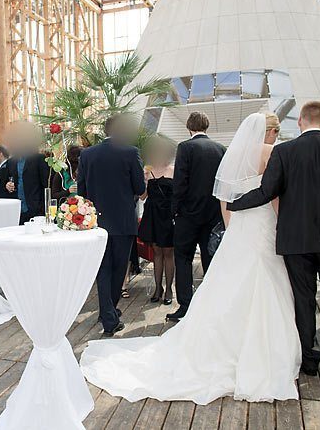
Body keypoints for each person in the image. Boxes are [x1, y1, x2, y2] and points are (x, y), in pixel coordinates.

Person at [80, 113, 301, 405]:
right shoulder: (224, 150)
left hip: (203, 222)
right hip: (236, 223)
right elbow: (267, 194)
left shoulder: (93, 154)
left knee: (163, 263)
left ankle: (170, 305)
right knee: (221, 273)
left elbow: (210, 190)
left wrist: (180, 213)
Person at [229, 102, 320, 376]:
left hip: (295, 241)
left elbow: (267, 191)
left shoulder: (284, 151)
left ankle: (309, 360)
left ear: (300, 121)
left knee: (303, 300)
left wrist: (234, 204)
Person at [77, 114, 146, 337]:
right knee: (118, 268)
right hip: (123, 221)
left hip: (95, 221)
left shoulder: (87, 154)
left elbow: (81, 192)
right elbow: (139, 186)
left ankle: (107, 311)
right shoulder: (130, 152)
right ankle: (108, 316)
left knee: (103, 269)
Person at [169, 111, 226, 321]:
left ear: (188, 127)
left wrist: (174, 210)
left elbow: (180, 182)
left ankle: (186, 305)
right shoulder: (221, 149)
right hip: (212, 216)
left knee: (183, 258)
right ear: (207, 126)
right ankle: (211, 303)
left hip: (188, 216)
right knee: (209, 258)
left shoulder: (185, 147)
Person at [138, 134, 177, 304]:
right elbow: (142, 197)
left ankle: (169, 289)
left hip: (168, 216)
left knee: (168, 252)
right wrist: (144, 179)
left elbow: (179, 195)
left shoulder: (174, 170)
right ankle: (157, 287)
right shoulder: (148, 170)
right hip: (152, 215)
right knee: (157, 253)